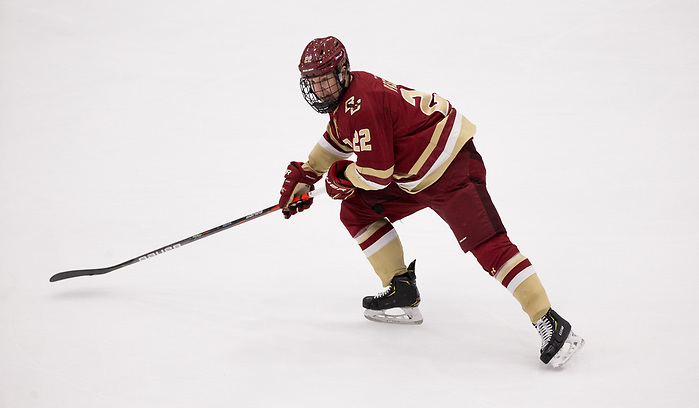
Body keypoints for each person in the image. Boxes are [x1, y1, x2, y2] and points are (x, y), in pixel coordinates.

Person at [278, 36, 584, 368]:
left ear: (342, 72)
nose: (320, 90)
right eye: (313, 82)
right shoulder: (348, 102)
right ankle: (401, 289)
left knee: (488, 245)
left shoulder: (362, 102)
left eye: (324, 80)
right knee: (356, 209)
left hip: (451, 169)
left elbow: (377, 174)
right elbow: (336, 140)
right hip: (414, 175)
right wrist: (308, 174)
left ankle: (551, 321)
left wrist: (343, 177)